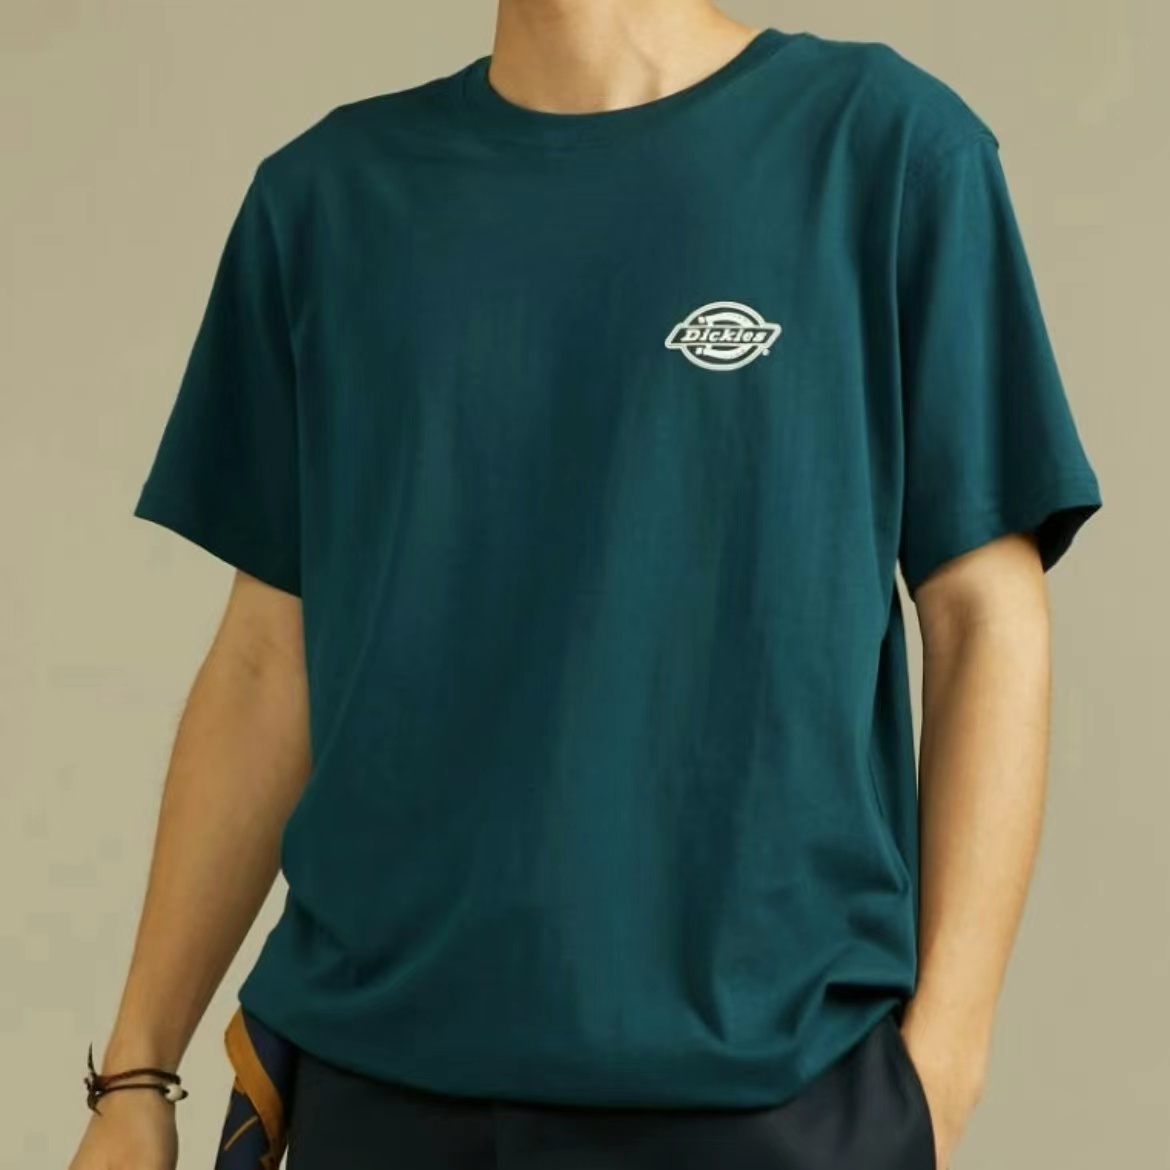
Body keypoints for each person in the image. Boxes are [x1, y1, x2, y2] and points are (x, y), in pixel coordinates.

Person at [70, 2, 1103, 1168]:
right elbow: (270, 659)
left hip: (769, 1096)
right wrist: (138, 1072)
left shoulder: (884, 149)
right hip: (378, 1089)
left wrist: (942, 1071)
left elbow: (983, 615)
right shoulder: (327, 201)